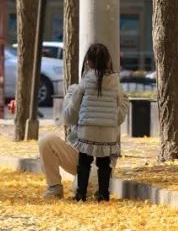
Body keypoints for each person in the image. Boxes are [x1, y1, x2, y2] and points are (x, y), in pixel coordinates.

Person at [40, 42, 128, 202]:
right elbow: (120, 117)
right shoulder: (117, 86)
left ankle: (81, 194)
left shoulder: (83, 85)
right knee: (102, 165)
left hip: (85, 143)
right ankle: (101, 194)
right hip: (106, 146)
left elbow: (69, 118)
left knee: (83, 172)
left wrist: (70, 97)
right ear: (109, 61)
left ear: (88, 63)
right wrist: (108, 118)